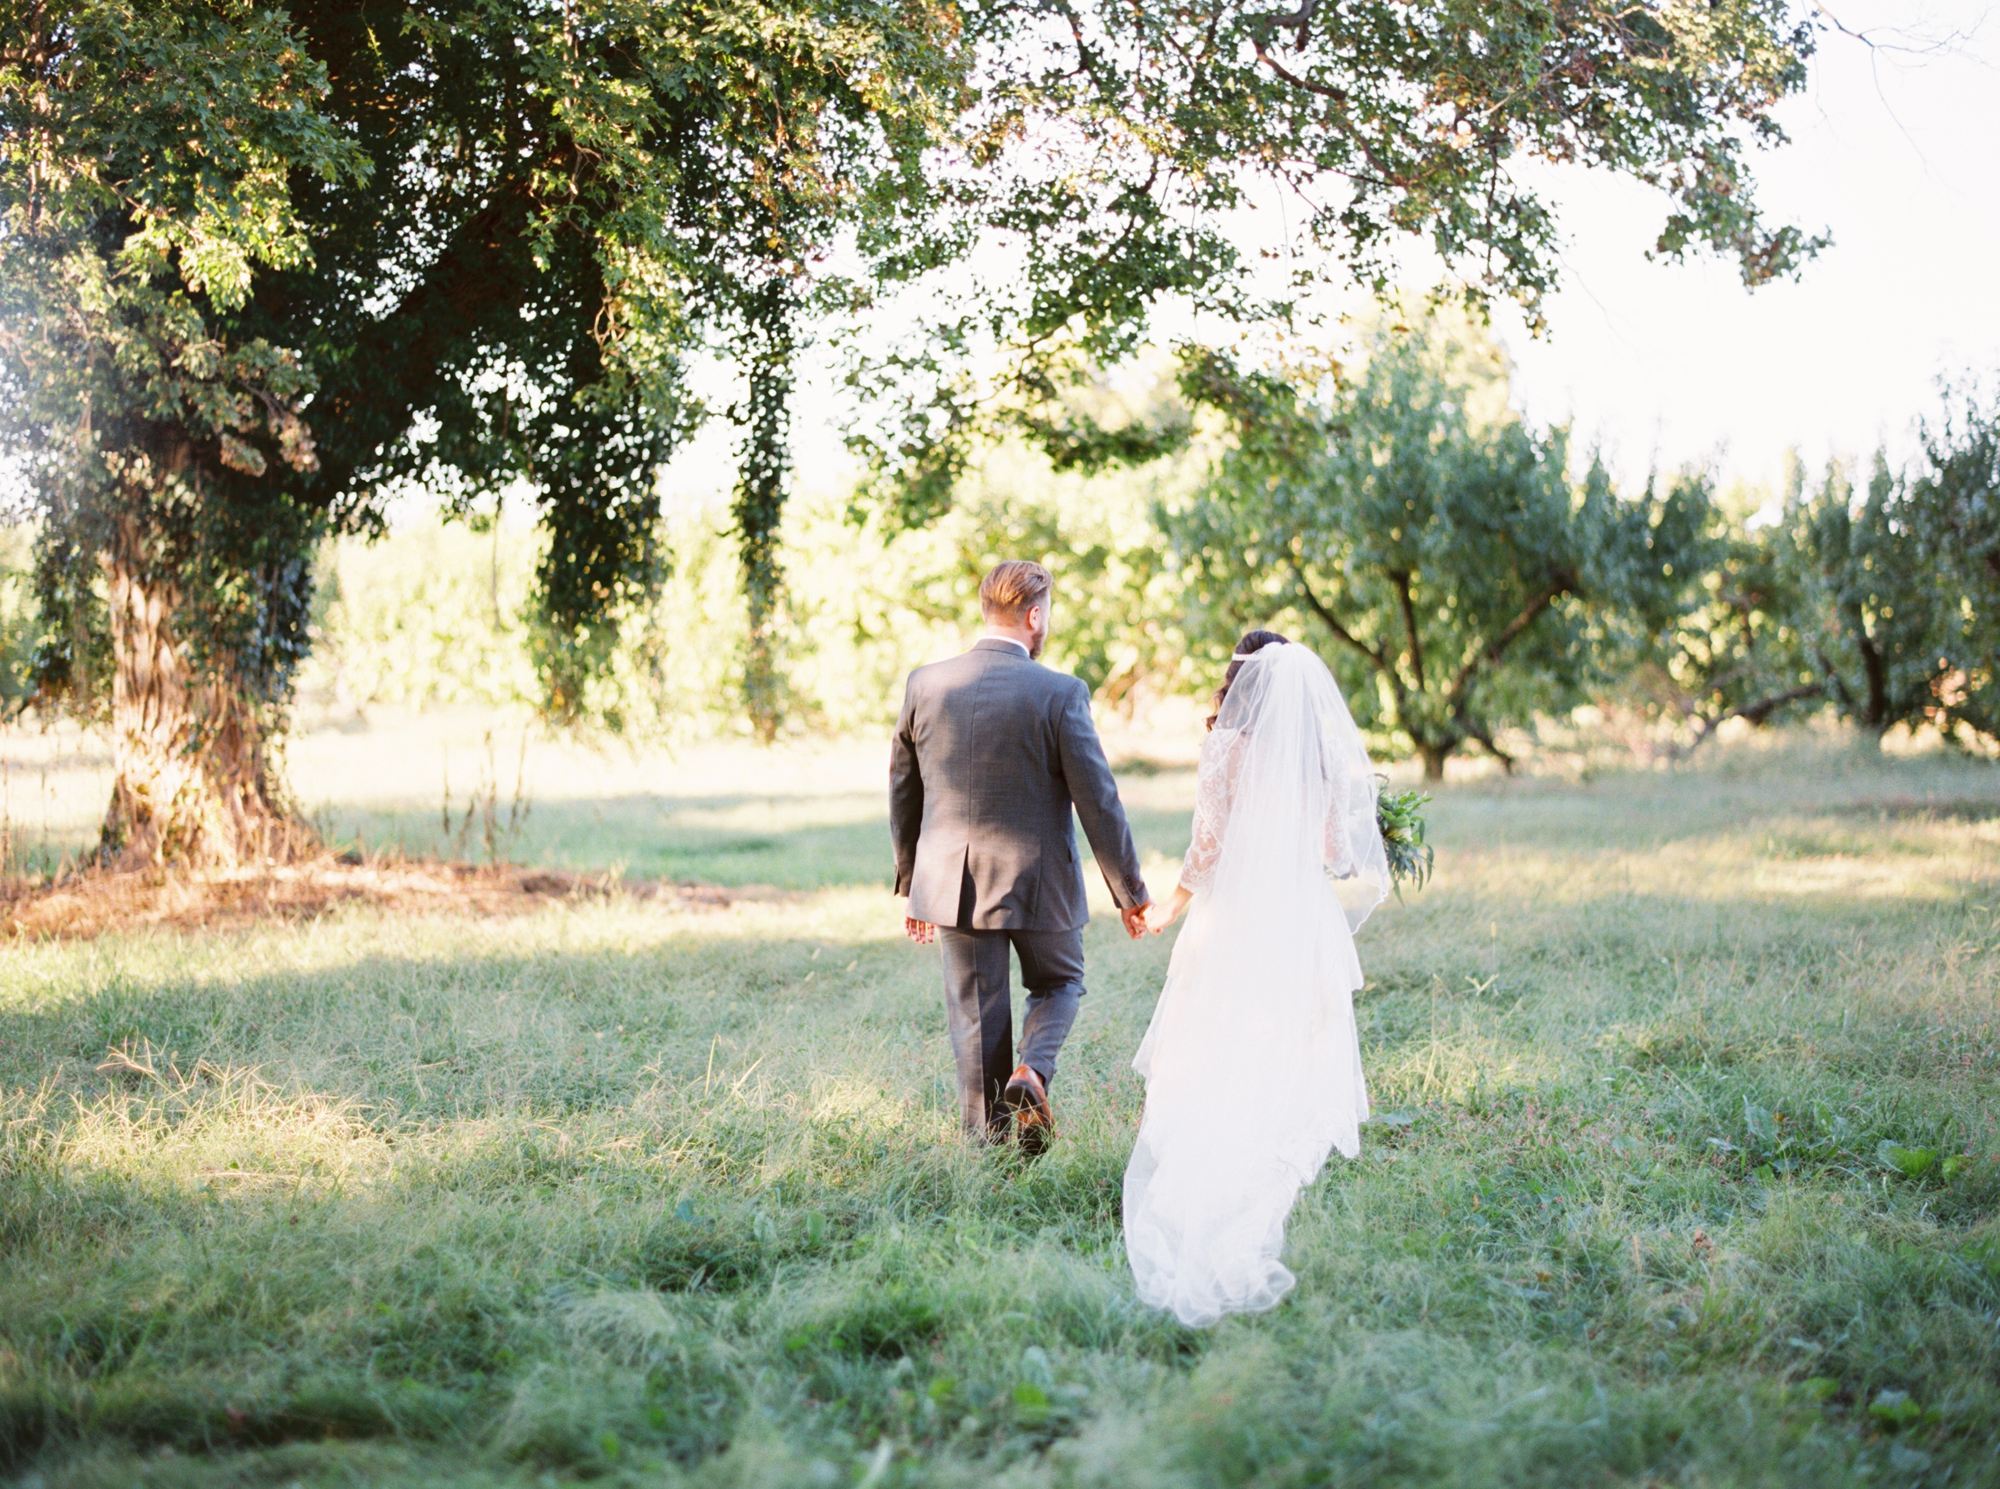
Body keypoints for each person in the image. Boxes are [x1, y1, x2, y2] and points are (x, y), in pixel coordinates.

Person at [1125, 630, 1391, 1326]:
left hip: (1236, 911)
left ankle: (1215, 1132)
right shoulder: (1319, 757)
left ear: (1236, 682)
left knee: (1216, 1028)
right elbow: (1337, 853)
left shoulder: (1226, 747)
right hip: (1302, 912)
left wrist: (1164, 913)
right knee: (1298, 1032)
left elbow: (1206, 849)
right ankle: (1276, 1125)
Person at [890, 560, 1152, 1151]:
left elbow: (904, 786)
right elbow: (1099, 802)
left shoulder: (925, 684)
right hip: (1040, 883)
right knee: (1060, 980)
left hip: (952, 885)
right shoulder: (1060, 692)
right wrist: (1131, 894)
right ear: (1035, 616)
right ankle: (1032, 1071)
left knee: (976, 1021)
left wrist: (912, 884)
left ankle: (988, 1153)